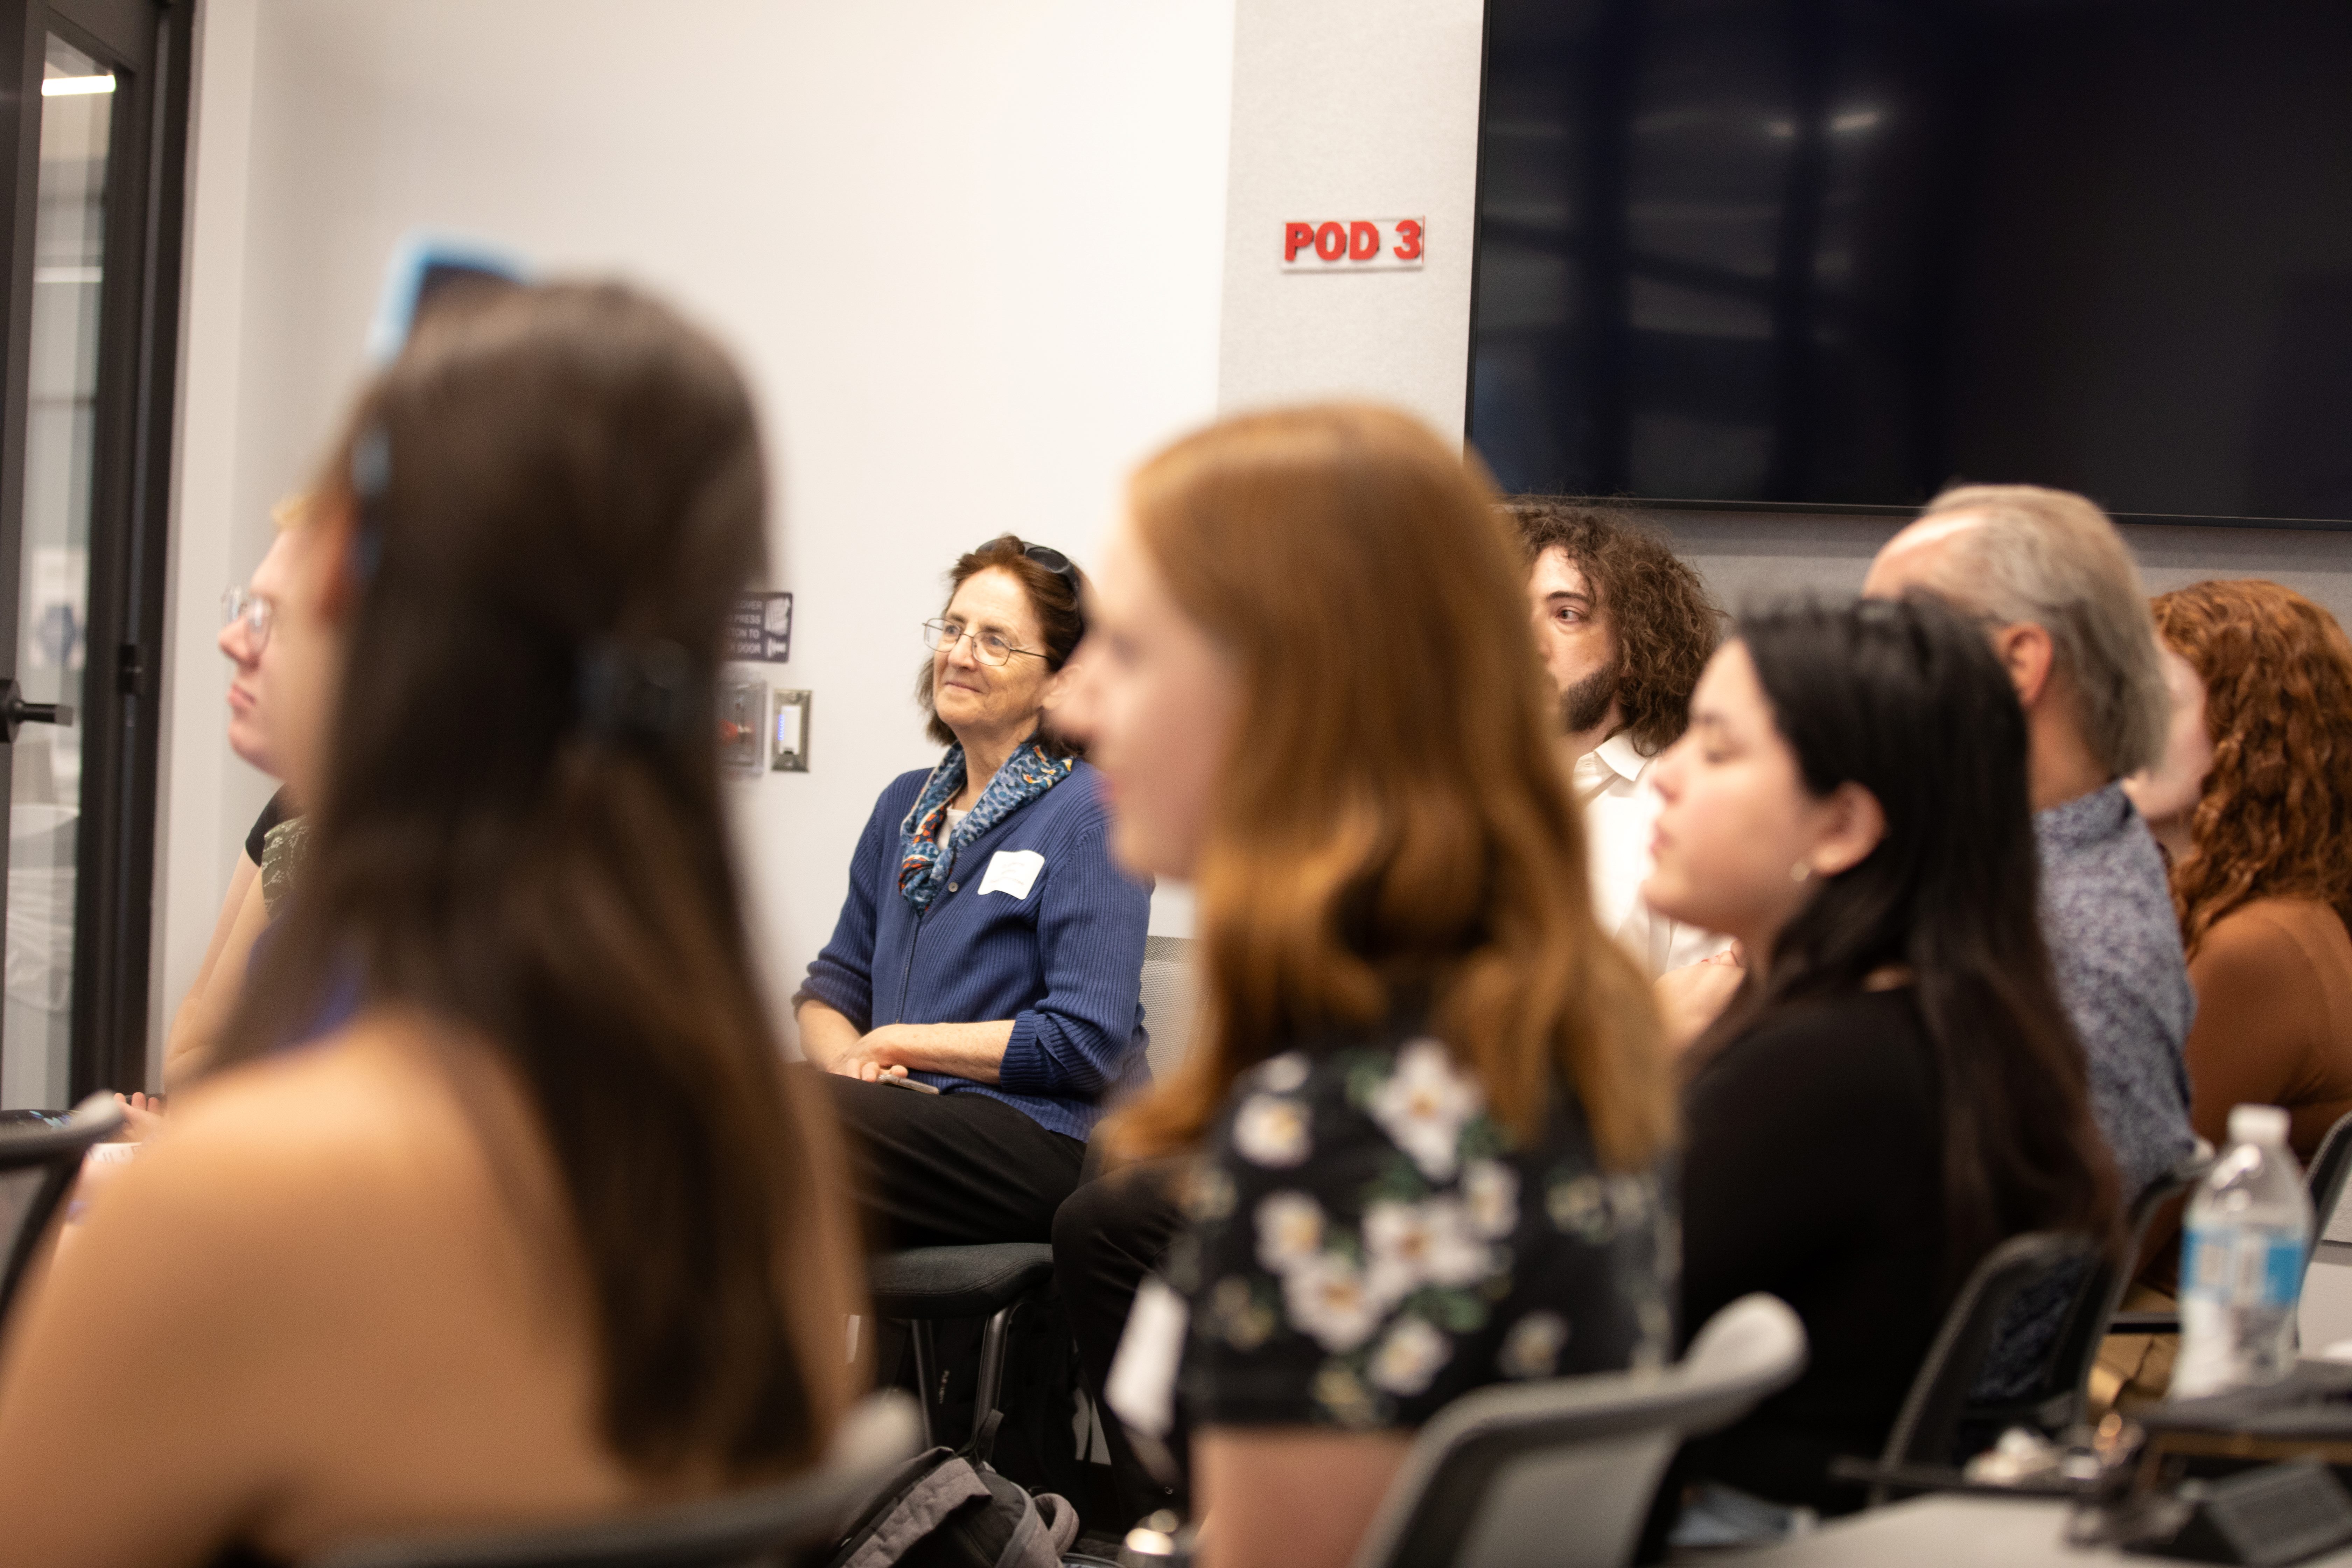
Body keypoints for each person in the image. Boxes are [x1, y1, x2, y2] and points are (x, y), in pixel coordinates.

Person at [0, 283, 862, 1563]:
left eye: (299, 586)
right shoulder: (764, 1164)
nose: (246, 634)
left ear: (400, 624)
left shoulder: (228, 1208)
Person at [1062, 404, 1678, 1568]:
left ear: (1296, 686)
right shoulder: (1512, 1018)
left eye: (1130, 651)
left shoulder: (1355, 1125)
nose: (1076, 703)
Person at [1645, 597, 2118, 1526]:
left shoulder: (1827, 1075)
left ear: (1842, 829)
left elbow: (1575, 1312)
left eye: (1716, 748)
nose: (1663, 775)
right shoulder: (1935, 1021)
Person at [795, 536, 1152, 1249]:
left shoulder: (1094, 813)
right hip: (901, 1120)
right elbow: (832, 988)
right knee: (727, 1105)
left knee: (774, 1117)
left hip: (1039, 1141)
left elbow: (1086, 1040)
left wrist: (896, 1041)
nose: (960, 652)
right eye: (954, 628)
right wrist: (850, 1068)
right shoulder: (905, 806)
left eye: (996, 641)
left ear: (1060, 682)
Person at [1862, 484, 2194, 1204]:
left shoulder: (2063, 940)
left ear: (2017, 664)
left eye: (1890, 637)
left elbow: (2010, 1288)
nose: (1857, 673)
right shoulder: (2060, 855)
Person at [2125, 580, 2352, 1248]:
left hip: (2136, 1340)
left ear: (2255, 735)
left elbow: (2113, 1237)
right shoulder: (2265, 915)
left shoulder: (2259, 948)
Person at [1502, 498, 1728, 977]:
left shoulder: (1683, 809)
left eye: (1566, 614)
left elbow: (1707, 1012)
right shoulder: (1441, 784)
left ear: (1633, 649)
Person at [160, 504, 313, 1093]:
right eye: (249, 610)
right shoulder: (296, 816)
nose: (232, 640)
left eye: (276, 618)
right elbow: (187, 1057)